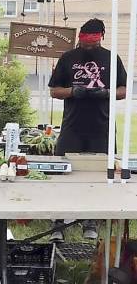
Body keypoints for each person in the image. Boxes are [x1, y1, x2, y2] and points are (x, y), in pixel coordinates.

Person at [48, 18, 127, 242]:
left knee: (98, 175)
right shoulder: (68, 58)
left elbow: (123, 90)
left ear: (101, 37)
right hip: (72, 126)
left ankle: (90, 221)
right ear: (80, 38)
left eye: (92, 44)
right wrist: (74, 92)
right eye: (84, 43)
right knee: (63, 172)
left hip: (102, 127)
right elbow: (54, 90)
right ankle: (58, 222)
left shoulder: (112, 58)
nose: (88, 47)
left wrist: (106, 93)